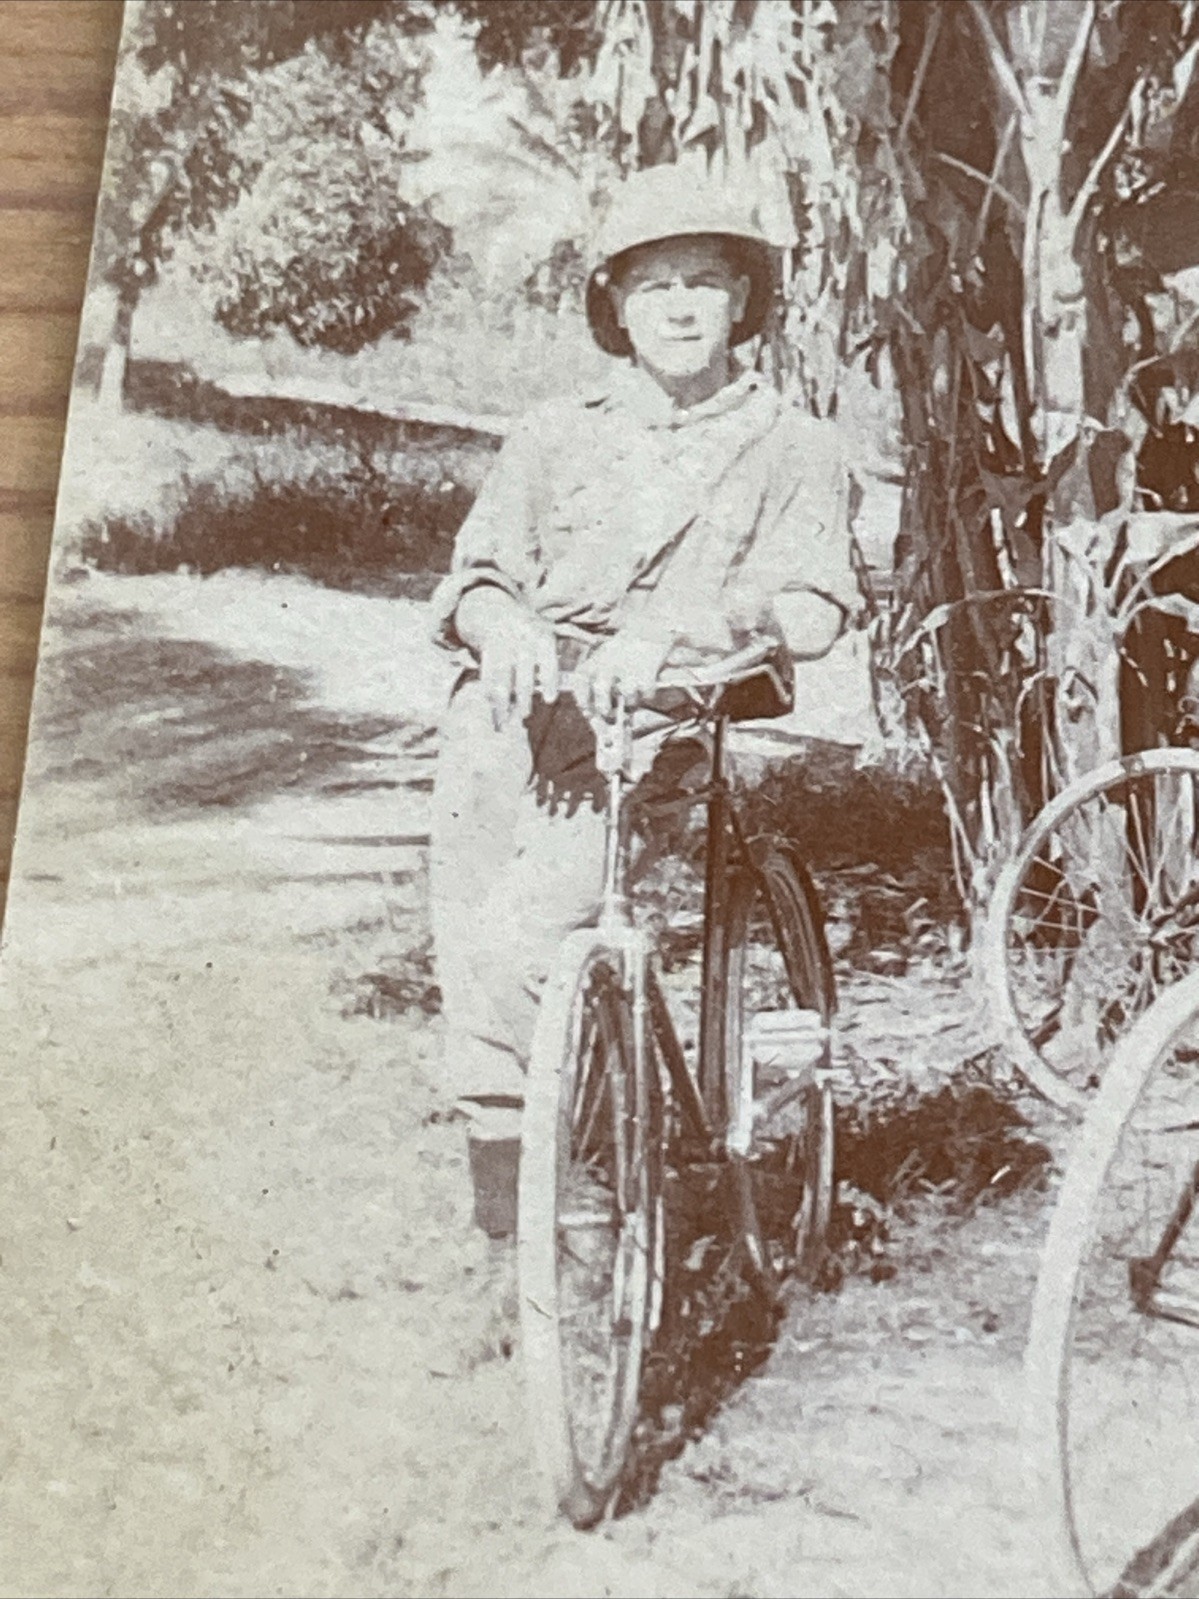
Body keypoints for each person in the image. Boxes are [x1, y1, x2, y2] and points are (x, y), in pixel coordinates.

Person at [428, 163, 860, 1238]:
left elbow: (813, 606)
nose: (676, 306)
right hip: (523, 708)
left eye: (704, 281)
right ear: (613, 305)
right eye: (651, 282)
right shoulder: (552, 433)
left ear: (744, 302)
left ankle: (570, 1178)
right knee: (474, 897)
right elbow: (475, 577)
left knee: (541, 922)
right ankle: (505, 1165)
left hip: (673, 714)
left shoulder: (792, 445)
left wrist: (681, 630)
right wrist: (505, 625)